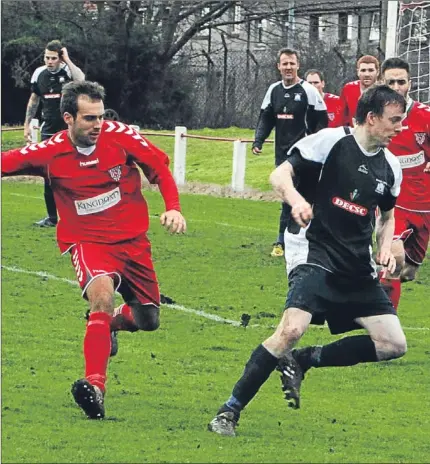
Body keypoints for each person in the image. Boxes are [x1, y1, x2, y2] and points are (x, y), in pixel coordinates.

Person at [208, 85, 407, 437]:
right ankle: (228, 411)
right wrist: (298, 200)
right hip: (314, 250)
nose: (400, 128)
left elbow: (387, 216)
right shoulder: (329, 142)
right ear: (372, 118)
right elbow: (278, 175)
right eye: (394, 121)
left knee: (393, 344)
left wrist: (384, 247)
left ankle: (305, 360)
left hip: (356, 262)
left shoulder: (390, 166)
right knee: (291, 329)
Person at [2, 81, 187, 420]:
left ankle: (110, 326)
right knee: (102, 294)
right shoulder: (49, 151)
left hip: (134, 243)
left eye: (100, 117)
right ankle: (95, 388)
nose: (98, 125)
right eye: (89, 119)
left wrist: (173, 207)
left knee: (149, 320)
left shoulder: (121, 136)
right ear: (68, 119)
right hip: (88, 242)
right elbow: (5, 163)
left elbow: (158, 169)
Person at [252, 48, 328, 258]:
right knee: (288, 195)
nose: (288, 67)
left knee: (304, 194)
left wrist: (316, 146)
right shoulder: (274, 90)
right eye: (284, 63)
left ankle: (292, 240)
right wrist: (258, 140)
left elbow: (321, 121)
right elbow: (266, 117)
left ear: (298, 65)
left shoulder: (308, 91)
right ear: (278, 66)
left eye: (292, 63)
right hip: (282, 154)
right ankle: (285, 240)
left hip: (304, 154)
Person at [379, 57, 430, 310]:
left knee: (409, 271)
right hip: (392, 205)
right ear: (382, 84)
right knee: (394, 261)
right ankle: (385, 326)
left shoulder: (424, 115)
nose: (396, 86)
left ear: (410, 84)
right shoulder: (375, 119)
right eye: (391, 82)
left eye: (401, 81)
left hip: (424, 205)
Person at [24, 39, 85, 228]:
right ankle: (52, 218)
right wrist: (27, 124)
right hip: (48, 131)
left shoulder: (67, 71)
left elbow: (81, 80)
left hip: (69, 131)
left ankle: (79, 216)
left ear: (59, 58)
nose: (49, 61)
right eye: (46, 57)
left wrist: (66, 59)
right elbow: (34, 100)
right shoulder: (38, 74)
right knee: (48, 175)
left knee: (75, 173)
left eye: (53, 58)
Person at [339, 55, 379, 126]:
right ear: (358, 72)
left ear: (377, 72)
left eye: (371, 70)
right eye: (363, 70)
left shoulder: (384, 91)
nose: (367, 74)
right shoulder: (348, 89)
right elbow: (341, 117)